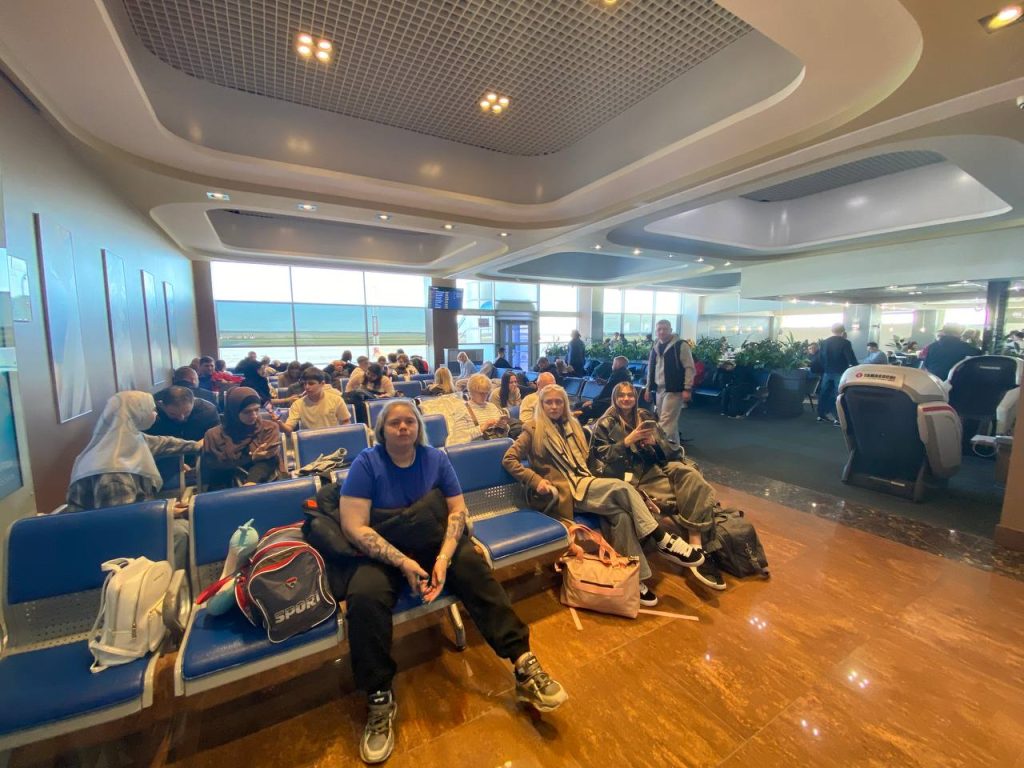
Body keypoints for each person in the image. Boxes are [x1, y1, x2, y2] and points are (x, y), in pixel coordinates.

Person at [337, 400, 566, 763]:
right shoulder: (367, 463)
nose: (403, 427)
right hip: (384, 553)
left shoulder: (435, 459)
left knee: (473, 567)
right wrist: (403, 562)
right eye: (394, 423)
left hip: (433, 542)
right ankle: (379, 695)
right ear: (381, 430)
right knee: (364, 596)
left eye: (409, 421)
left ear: (419, 427)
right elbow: (354, 526)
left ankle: (523, 663)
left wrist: (444, 558)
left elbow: (457, 511)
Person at [502, 385, 704, 607]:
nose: (554, 406)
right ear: (541, 405)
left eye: (558, 402)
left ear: (564, 404)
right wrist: (536, 480)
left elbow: (589, 461)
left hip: (585, 481)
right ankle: (662, 539)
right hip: (564, 492)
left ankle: (634, 577)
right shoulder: (532, 429)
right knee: (621, 488)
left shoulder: (572, 425)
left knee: (622, 517)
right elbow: (509, 459)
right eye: (548, 402)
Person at [591, 382, 725, 590]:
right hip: (635, 475)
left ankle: (696, 545)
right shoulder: (605, 423)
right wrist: (626, 442)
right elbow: (599, 458)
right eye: (621, 395)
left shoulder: (645, 416)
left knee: (692, 477)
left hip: (657, 466)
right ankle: (700, 549)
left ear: (635, 397)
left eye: (630, 395)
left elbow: (671, 451)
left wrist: (655, 443)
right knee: (683, 497)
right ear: (615, 398)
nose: (626, 399)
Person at [66, 391, 199, 567]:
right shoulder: (113, 470)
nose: (155, 413)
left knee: (184, 525)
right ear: (136, 414)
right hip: (104, 538)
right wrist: (165, 512)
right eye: (151, 410)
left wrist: (197, 445)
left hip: (123, 520)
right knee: (181, 532)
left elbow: (164, 443)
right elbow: (123, 519)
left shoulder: (123, 438)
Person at [201, 387, 283, 490]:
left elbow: (270, 461)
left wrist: (252, 481)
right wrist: (250, 458)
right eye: (247, 412)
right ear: (234, 412)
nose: (254, 416)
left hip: (262, 483)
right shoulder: (214, 435)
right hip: (225, 486)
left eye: (257, 410)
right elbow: (215, 467)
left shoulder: (268, 428)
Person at [644, 319, 696, 444]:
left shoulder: (680, 345)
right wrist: (648, 388)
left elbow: (689, 367)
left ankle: (656, 445)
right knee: (669, 420)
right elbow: (651, 369)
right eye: (659, 329)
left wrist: (687, 388)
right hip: (659, 389)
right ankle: (675, 448)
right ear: (656, 331)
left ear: (671, 330)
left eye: (665, 329)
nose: (662, 332)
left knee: (666, 421)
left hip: (674, 389)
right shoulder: (655, 346)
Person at [278, 367, 351, 434]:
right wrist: (279, 423)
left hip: (333, 439)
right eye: (305, 384)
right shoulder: (297, 404)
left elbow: (346, 421)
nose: (307, 387)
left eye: (311, 384)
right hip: (309, 440)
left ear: (322, 384)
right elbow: (289, 428)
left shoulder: (336, 400)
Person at [816, 323, 859, 424]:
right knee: (838, 394)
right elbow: (850, 358)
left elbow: (820, 358)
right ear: (843, 331)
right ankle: (838, 418)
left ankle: (821, 415)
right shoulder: (845, 343)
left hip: (827, 372)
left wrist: (825, 368)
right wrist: (856, 366)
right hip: (840, 372)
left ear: (832, 331)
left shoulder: (825, 342)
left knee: (824, 393)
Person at [449, 374, 508, 446]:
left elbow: (503, 434)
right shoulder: (462, 409)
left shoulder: (492, 407)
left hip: (496, 445)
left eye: (486, 393)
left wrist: (503, 426)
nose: (484, 396)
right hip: (475, 448)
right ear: (471, 391)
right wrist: (481, 428)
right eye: (481, 393)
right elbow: (457, 439)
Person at [148, 385, 219, 441]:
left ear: (193, 402)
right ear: (163, 406)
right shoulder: (152, 415)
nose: (181, 418)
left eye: (186, 412)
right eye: (173, 414)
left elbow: (216, 437)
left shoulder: (208, 412)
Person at [577, 355, 631, 423]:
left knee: (581, 410)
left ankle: (577, 428)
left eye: (613, 363)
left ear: (618, 364)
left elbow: (607, 393)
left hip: (608, 404)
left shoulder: (618, 375)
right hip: (612, 402)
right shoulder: (624, 374)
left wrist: (593, 402)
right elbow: (612, 386)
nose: (612, 366)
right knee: (580, 406)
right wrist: (605, 382)